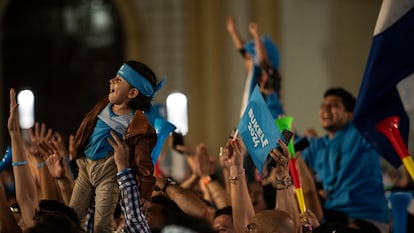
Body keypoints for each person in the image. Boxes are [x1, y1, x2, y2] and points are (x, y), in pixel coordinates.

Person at [69, 60, 165, 233]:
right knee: (71, 216)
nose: (111, 81)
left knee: (102, 223)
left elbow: (144, 161)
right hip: (85, 167)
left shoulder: (137, 125)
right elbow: (87, 126)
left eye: (119, 80)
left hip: (109, 173)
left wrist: (144, 192)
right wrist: (77, 150)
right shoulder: (104, 105)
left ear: (133, 92)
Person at [298, 87, 390, 233]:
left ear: (349, 115)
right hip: (334, 216)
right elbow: (285, 142)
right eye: (322, 106)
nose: (325, 109)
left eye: (334, 105)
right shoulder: (318, 146)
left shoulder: (361, 133)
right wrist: (271, 94)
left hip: (366, 218)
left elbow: (375, 106)